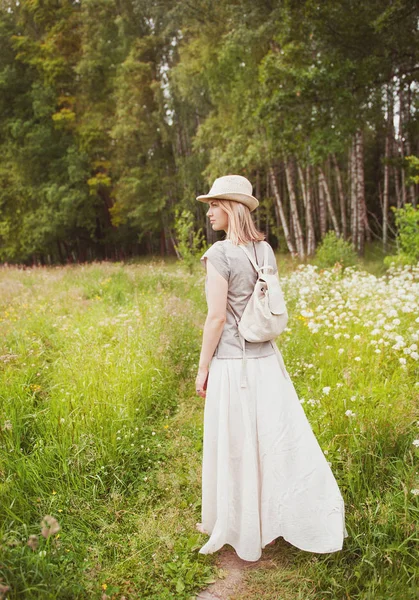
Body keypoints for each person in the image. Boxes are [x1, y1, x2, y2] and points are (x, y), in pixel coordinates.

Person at [194, 174, 348, 562]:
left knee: (236, 444)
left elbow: (215, 319)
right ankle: (272, 517)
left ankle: (237, 522)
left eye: (214, 205)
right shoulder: (265, 250)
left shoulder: (218, 255)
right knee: (270, 443)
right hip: (266, 361)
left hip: (233, 365)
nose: (209, 212)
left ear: (230, 208)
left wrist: (201, 369)